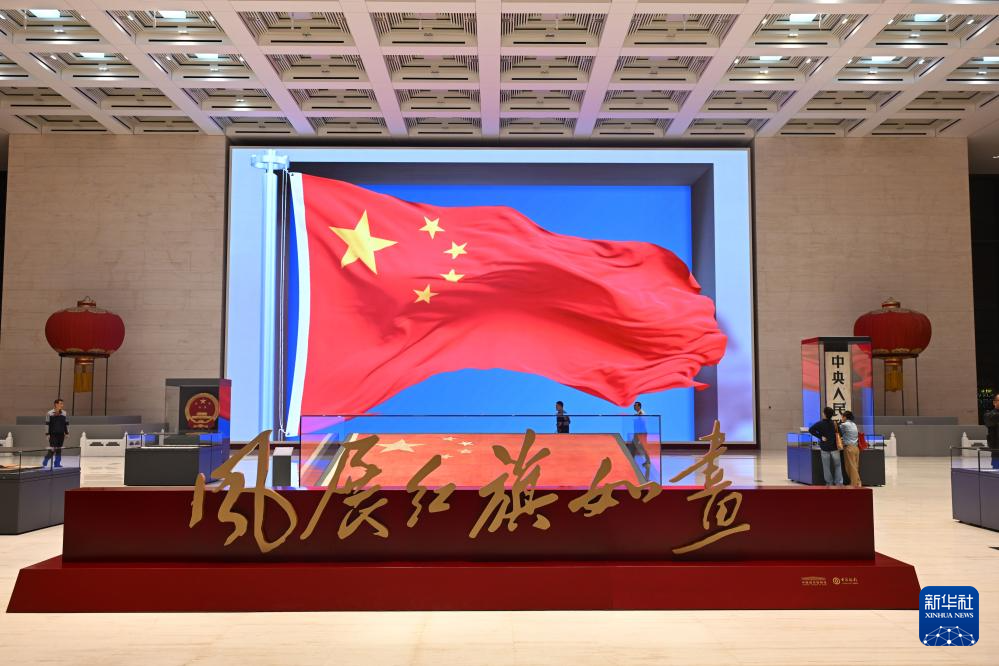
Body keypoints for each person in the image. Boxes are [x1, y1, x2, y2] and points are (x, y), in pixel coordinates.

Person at [808, 406, 843, 486]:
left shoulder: (820, 423)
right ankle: (839, 482)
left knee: (826, 466)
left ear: (825, 414)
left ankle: (829, 482)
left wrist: (820, 437)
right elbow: (840, 434)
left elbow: (811, 430)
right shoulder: (835, 423)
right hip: (835, 448)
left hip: (824, 448)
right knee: (838, 466)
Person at [42, 398, 69, 468]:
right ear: (56, 404)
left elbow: (66, 424)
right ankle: (46, 460)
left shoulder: (64, 413)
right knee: (52, 449)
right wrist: (47, 434)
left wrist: (67, 433)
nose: (62, 405)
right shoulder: (49, 413)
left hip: (61, 434)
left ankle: (57, 463)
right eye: (61, 404)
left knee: (59, 450)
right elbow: (47, 424)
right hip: (53, 435)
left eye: (62, 404)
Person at [839, 410, 861, 488]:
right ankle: (857, 482)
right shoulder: (854, 424)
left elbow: (837, 432)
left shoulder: (844, 425)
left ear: (845, 417)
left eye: (842, 417)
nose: (841, 418)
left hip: (849, 448)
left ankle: (855, 484)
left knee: (851, 467)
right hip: (856, 448)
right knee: (855, 466)